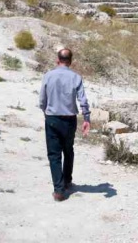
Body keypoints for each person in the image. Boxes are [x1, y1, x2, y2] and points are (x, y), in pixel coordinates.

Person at [38, 47, 91, 201]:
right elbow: (83, 100)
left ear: (57, 60)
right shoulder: (76, 77)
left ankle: (59, 190)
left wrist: (46, 111)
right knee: (68, 150)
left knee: (54, 155)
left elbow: (42, 99)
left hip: (52, 118)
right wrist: (86, 118)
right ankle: (67, 181)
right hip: (69, 119)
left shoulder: (48, 76)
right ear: (70, 61)